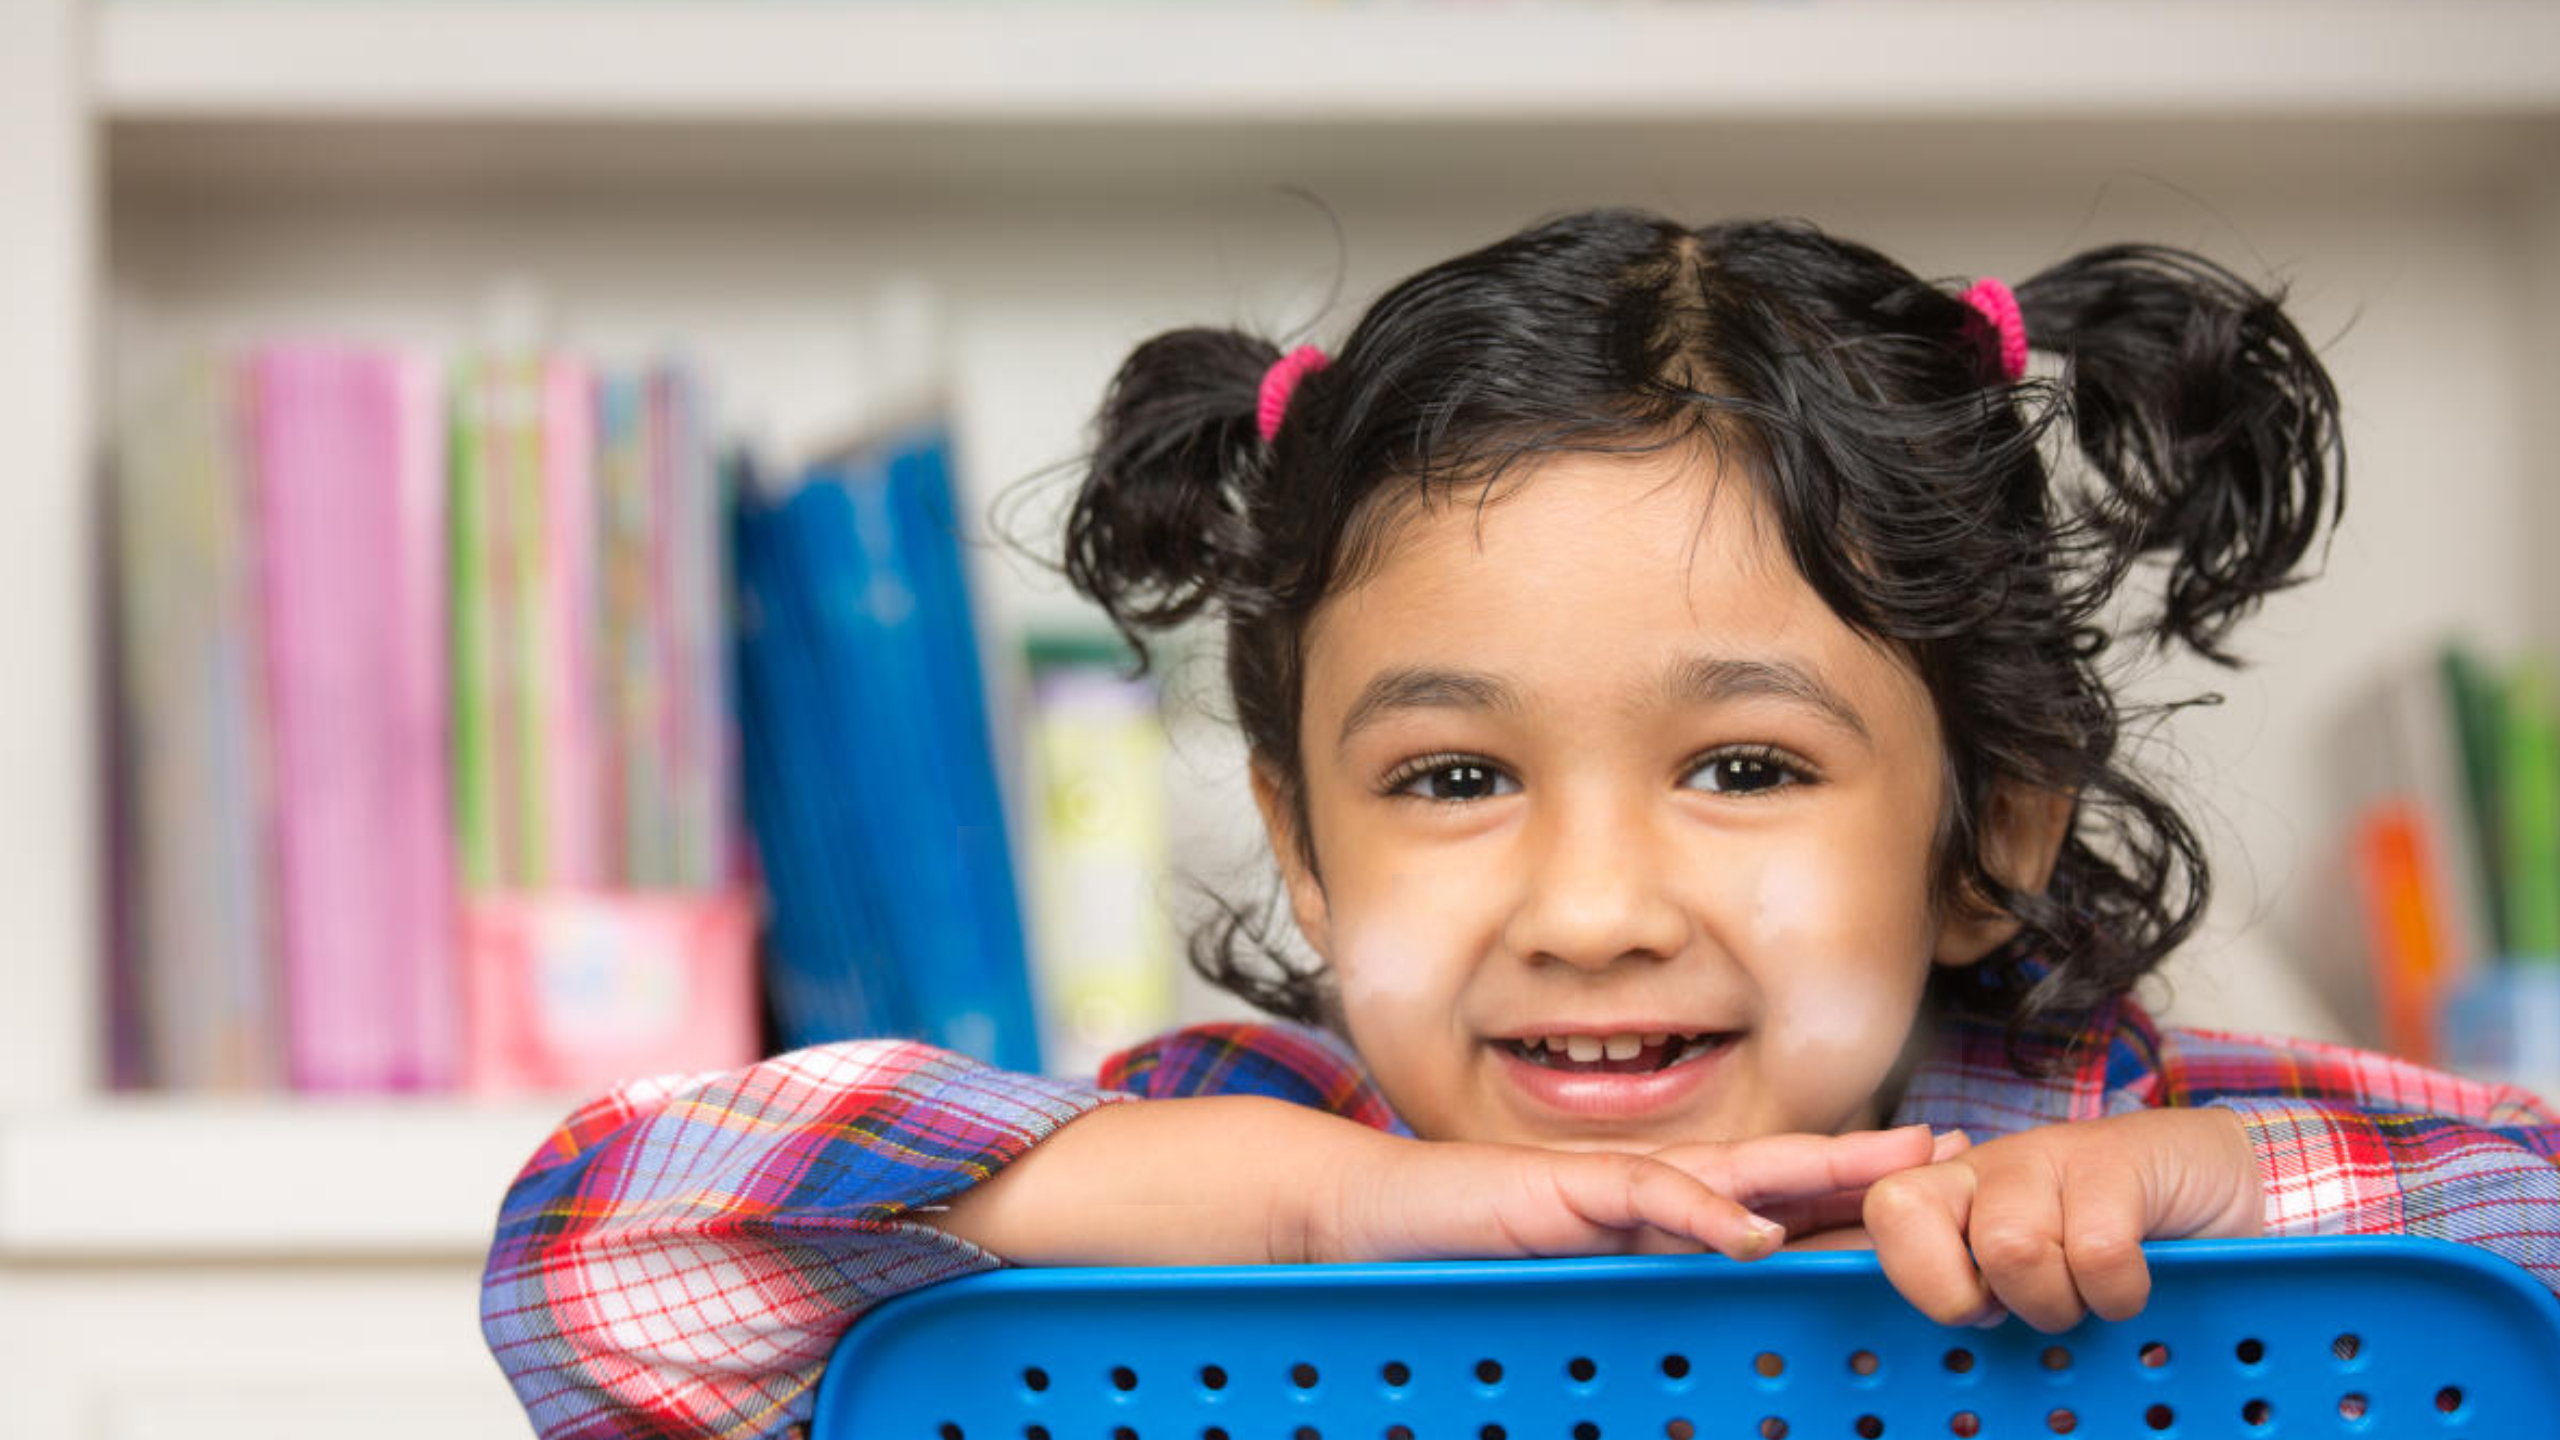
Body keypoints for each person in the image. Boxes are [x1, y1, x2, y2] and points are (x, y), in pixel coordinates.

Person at [480, 210, 2560, 1440]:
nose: (1584, 907)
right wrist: (1312, 1217)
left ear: (1984, 836)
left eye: (1742, 767)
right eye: (1451, 780)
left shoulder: (2143, 1147)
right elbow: (601, 1263)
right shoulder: (1231, 1149)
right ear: (1301, 845)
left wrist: (2211, 1192)